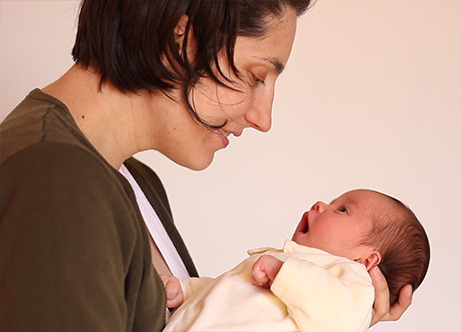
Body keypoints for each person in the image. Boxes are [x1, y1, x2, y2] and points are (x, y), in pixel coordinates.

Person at [0, 0, 413, 331]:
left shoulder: (134, 181)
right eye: (256, 76)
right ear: (181, 38)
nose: (263, 118)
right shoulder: (55, 179)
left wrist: (329, 315)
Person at [160, 189, 430, 331]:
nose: (320, 205)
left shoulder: (349, 280)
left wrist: (284, 273)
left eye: (343, 209)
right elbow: (224, 291)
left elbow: (340, 321)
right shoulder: (285, 263)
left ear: (366, 260)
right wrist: (184, 291)